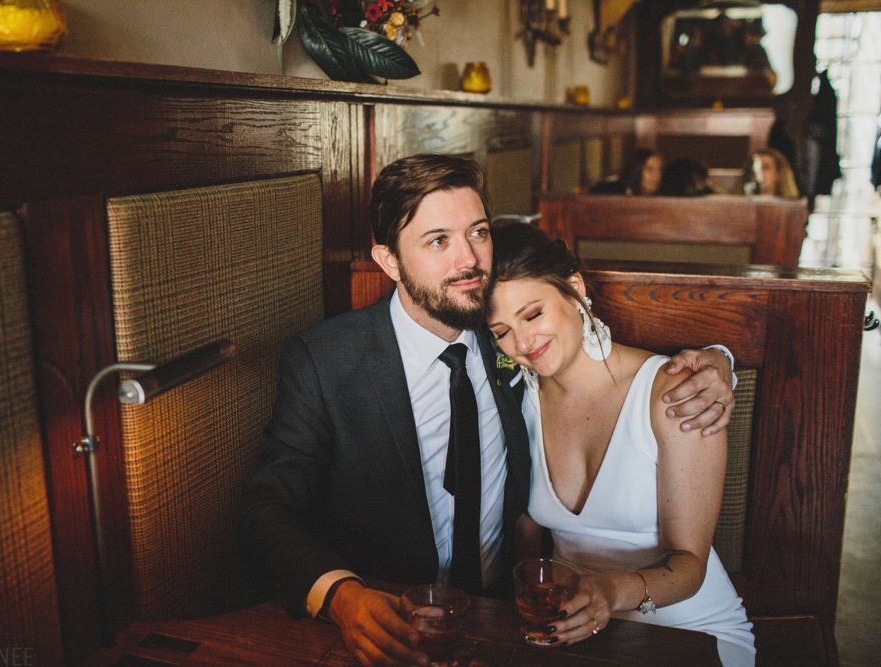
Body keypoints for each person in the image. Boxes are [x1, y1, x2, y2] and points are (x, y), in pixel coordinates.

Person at [241, 153, 736, 667]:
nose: (469, 260)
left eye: (477, 232)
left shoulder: (508, 337)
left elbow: (593, 357)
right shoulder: (326, 360)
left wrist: (717, 363)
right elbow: (268, 509)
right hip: (389, 620)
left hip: (507, 623)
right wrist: (342, 596)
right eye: (438, 241)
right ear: (389, 261)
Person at [486, 221, 756, 666]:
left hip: (689, 632)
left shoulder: (676, 392)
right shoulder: (516, 401)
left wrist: (610, 592)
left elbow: (690, 565)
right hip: (579, 637)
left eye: (532, 314)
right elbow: (528, 534)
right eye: (501, 332)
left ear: (574, 289)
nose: (522, 342)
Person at [589, 148, 663, 196]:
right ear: (636, 170)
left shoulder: (660, 198)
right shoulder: (616, 193)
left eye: (659, 169)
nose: (657, 175)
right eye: (650, 169)